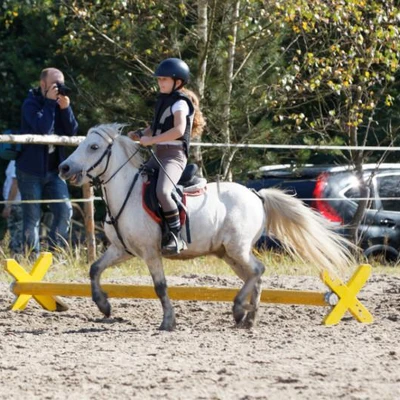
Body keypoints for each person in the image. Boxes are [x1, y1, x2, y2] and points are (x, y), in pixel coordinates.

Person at [128, 58, 206, 255]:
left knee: (163, 192)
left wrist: (152, 140)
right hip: (159, 154)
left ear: (177, 82)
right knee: (136, 180)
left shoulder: (180, 103)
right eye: (159, 79)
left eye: (164, 79)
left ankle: (175, 235)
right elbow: (155, 127)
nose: (160, 83)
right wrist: (140, 133)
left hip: (174, 156)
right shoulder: (164, 100)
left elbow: (179, 130)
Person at [16, 67, 78, 254]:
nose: (58, 89)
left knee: (65, 211)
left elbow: (71, 131)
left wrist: (66, 109)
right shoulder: (30, 104)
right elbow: (42, 129)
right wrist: (50, 104)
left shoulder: (58, 104)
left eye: (61, 85)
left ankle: (54, 254)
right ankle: (32, 258)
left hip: (55, 171)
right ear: (43, 84)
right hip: (30, 171)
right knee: (33, 216)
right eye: (54, 85)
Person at [1, 160, 23, 256]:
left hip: (16, 204)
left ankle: (17, 259)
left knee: (16, 235)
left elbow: (15, 184)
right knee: (13, 234)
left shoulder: (17, 163)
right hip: (13, 203)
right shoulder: (13, 162)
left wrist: (8, 205)